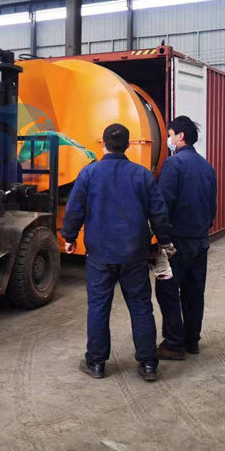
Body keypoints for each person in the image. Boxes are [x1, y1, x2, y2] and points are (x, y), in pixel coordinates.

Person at [61, 123, 175, 382]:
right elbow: (159, 212)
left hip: (100, 254)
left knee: (98, 306)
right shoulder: (141, 175)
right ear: (127, 146)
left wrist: (69, 237)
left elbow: (75, 209)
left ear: (103, 144)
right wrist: (164, 242)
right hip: (134, 253)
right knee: (140, 305)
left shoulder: (89, 173)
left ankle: (96, 363)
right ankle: (148, 363)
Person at [155, 116, 217, 359]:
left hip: (177, 241)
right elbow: (212, 204)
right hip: (200, 239)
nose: (169, 139)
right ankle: (192, 341)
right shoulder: (206, 165)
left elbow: (163, 204)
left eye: (170, 134)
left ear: (180, 136)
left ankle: (173, 343)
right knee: (194, 292)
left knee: (167, 289)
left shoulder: (174, 164)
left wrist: (160, 238)